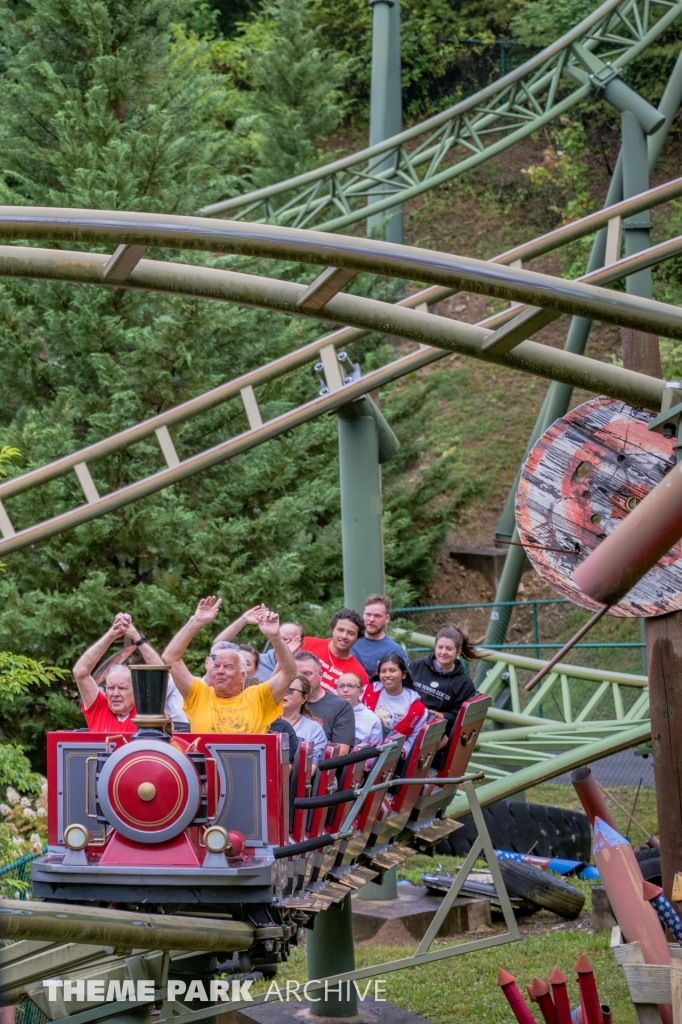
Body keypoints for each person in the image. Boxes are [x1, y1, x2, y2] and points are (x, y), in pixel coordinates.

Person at [161, 597, 297, 733]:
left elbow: (289, 673)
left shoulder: (259, 697)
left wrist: (275, 636)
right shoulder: (199, 695)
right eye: (216, 666)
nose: (220, 671)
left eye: (228, 667)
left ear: (243, 676)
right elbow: (170, 658)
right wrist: (195, 621)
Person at [73, 613, 162, 733]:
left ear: (136, 692)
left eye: (122, 688)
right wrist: (111, 635)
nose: (115, 693)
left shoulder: (146, 711)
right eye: (110, 688)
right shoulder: (99, 709)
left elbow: (161, 674)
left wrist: (136, 637)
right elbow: (80, 672)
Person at [409, 624, 479, 753]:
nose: (443, 652)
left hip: (436, 732)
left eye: (449, 649)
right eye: (440, 647)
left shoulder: (464, 683)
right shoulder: (417, 666)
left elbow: (458, 717)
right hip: (408, 720)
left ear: (458, 652)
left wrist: (428, 714)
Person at [362, 654, 428, 760]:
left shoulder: (419, 709)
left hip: (389, 758)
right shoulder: (366, 691)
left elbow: (413, 738)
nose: (387, 675)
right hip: (359, 749)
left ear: (403, 675)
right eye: (383, 671)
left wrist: (403, 751)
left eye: (392, 670)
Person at [212, 607, 303, 680]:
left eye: (290, 640)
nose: (284, 643)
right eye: (281, 638)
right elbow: (218, 646)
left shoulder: (304, 667)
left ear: (300, 644)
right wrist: (243, 620)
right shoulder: (256, 661)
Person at [294, 651, 355, 755]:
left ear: (320, 675)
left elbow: (341, 752)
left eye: (307, 674)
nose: (301, 679)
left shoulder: (340, 706)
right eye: (296, 674)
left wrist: (309, 764)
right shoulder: (284, 699)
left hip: (318, 766)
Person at [301, 609, 369, 693]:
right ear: (333, 630)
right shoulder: (306, 644)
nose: (344, 636)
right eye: (340, 630)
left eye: (351, 633)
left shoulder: (359, 674)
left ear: (357, 638)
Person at [351, 595, 406, 679]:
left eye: (377, 616)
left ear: (387, 618)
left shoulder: (394, 650)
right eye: (368, 614)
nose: (371, 619)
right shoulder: (349, 640)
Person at [281, 675, 328, 769]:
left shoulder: (314, 729)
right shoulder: (265, 721)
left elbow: (312, 768)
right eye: (282, 688)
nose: (284, 693)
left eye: (290, 690)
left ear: (304, 698)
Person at [336, 672, 383, 748]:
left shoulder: (372, 719)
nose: (345, 690)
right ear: (336, 690)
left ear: (361, 692)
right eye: (341, 686)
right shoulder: (328, 709)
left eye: (351, 686)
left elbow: (374, 752)